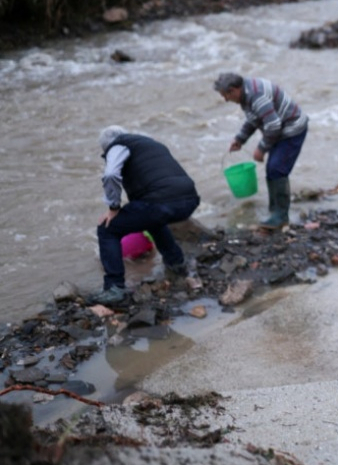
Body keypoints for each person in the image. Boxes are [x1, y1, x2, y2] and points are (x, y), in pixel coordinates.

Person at [91, 126, 201, 305]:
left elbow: (111, 174)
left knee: (107, 228)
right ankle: (177, 264)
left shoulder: (117, 146)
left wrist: (113, 207)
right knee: (152, 219)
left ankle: (114, 288)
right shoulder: (149, 142)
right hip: (189, 200)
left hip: (160, 202)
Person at [213, 72, 309, 230]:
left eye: (225, 95)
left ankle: (280, 217)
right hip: (281, 130)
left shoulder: (256, 96)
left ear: (233, 90)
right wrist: (240, 139)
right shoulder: (246, 93)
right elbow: (253, 119)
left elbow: (273, 125)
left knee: (277, 169)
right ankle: (275, 211)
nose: (225, 100)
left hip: (292, 128)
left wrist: (261, 149)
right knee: (273, 168)